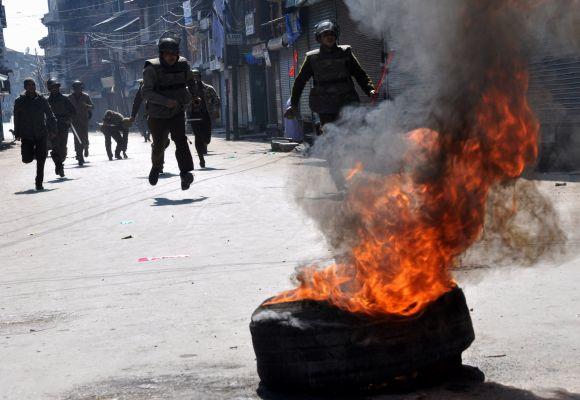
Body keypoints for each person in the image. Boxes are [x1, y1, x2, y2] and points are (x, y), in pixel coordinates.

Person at [284, 20, 376, 190]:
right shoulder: (312, 58)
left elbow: (360, 74)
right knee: (332, 140)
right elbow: (300, 82)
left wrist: (370, 90)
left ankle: (361, 172)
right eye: (325, 34)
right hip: (325, 105)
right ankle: (338, 179)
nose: (329, 37)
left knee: (354, 135)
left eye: (332, 34)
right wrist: (294, 104)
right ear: (319, 38)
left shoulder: (346, 53)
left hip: (347, 101)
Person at [142, 35, 195, 190]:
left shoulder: (183, 65)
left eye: (174, 54)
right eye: (168, 54)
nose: (171, 57)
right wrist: (166, 102)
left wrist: (194, 95)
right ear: (161, 54)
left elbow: (191, 82)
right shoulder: (151, 69)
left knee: (181, 140)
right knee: (159, 144)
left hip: (177, 111)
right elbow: (146, 93)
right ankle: (156, 167)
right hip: (157, 114)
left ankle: (185, 174)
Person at [13, 78, 57, 190]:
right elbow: (17, 118)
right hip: (26, 134)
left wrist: (53, 130)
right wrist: (17, 133)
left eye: (33, 85)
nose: (32, 87)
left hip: (41, 133)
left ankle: (39, 182)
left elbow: (50, 115)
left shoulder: (42, 99)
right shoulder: (19, 101)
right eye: (29, 85)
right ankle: (33, 153)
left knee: (42, 158)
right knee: (26, 159)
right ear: (25, 87)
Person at [187, 68, 220, 168]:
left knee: (206, 138)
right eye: (193, 78)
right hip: (194, 116)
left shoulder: (208, 88)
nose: (195, 80)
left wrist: (215, 110)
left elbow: (216, 100)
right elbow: (182, 102)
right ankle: (201, 159)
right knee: (197, 137)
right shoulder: (187, 90)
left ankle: (204, 143)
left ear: (200, 78)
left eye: (197, 77)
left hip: (206, 115)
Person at [46, 78, 76, 177]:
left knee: (62, 148)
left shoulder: (64, 99)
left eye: (57, 87)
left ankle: (60, 162)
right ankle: (59, 166)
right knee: (55, 147)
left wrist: (69, 119)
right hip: (51, 126)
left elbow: (73, 111)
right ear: (49, 89)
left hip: (63, 125)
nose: (55, 89)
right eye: (53, 87)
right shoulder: (46, 101)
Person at [69, 80, 94, 165]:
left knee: (84, 137)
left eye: (79, 88)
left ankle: (86, 147)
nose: (78, 89)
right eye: (76, 88)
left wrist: (86, 105)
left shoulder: (86, 96)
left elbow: (92, 106)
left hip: (84, 120)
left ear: (81, 88)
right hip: (74, 121)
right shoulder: (69, 97)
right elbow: (66, 108)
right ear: (73, 89)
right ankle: (79, 156)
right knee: (77, 139)